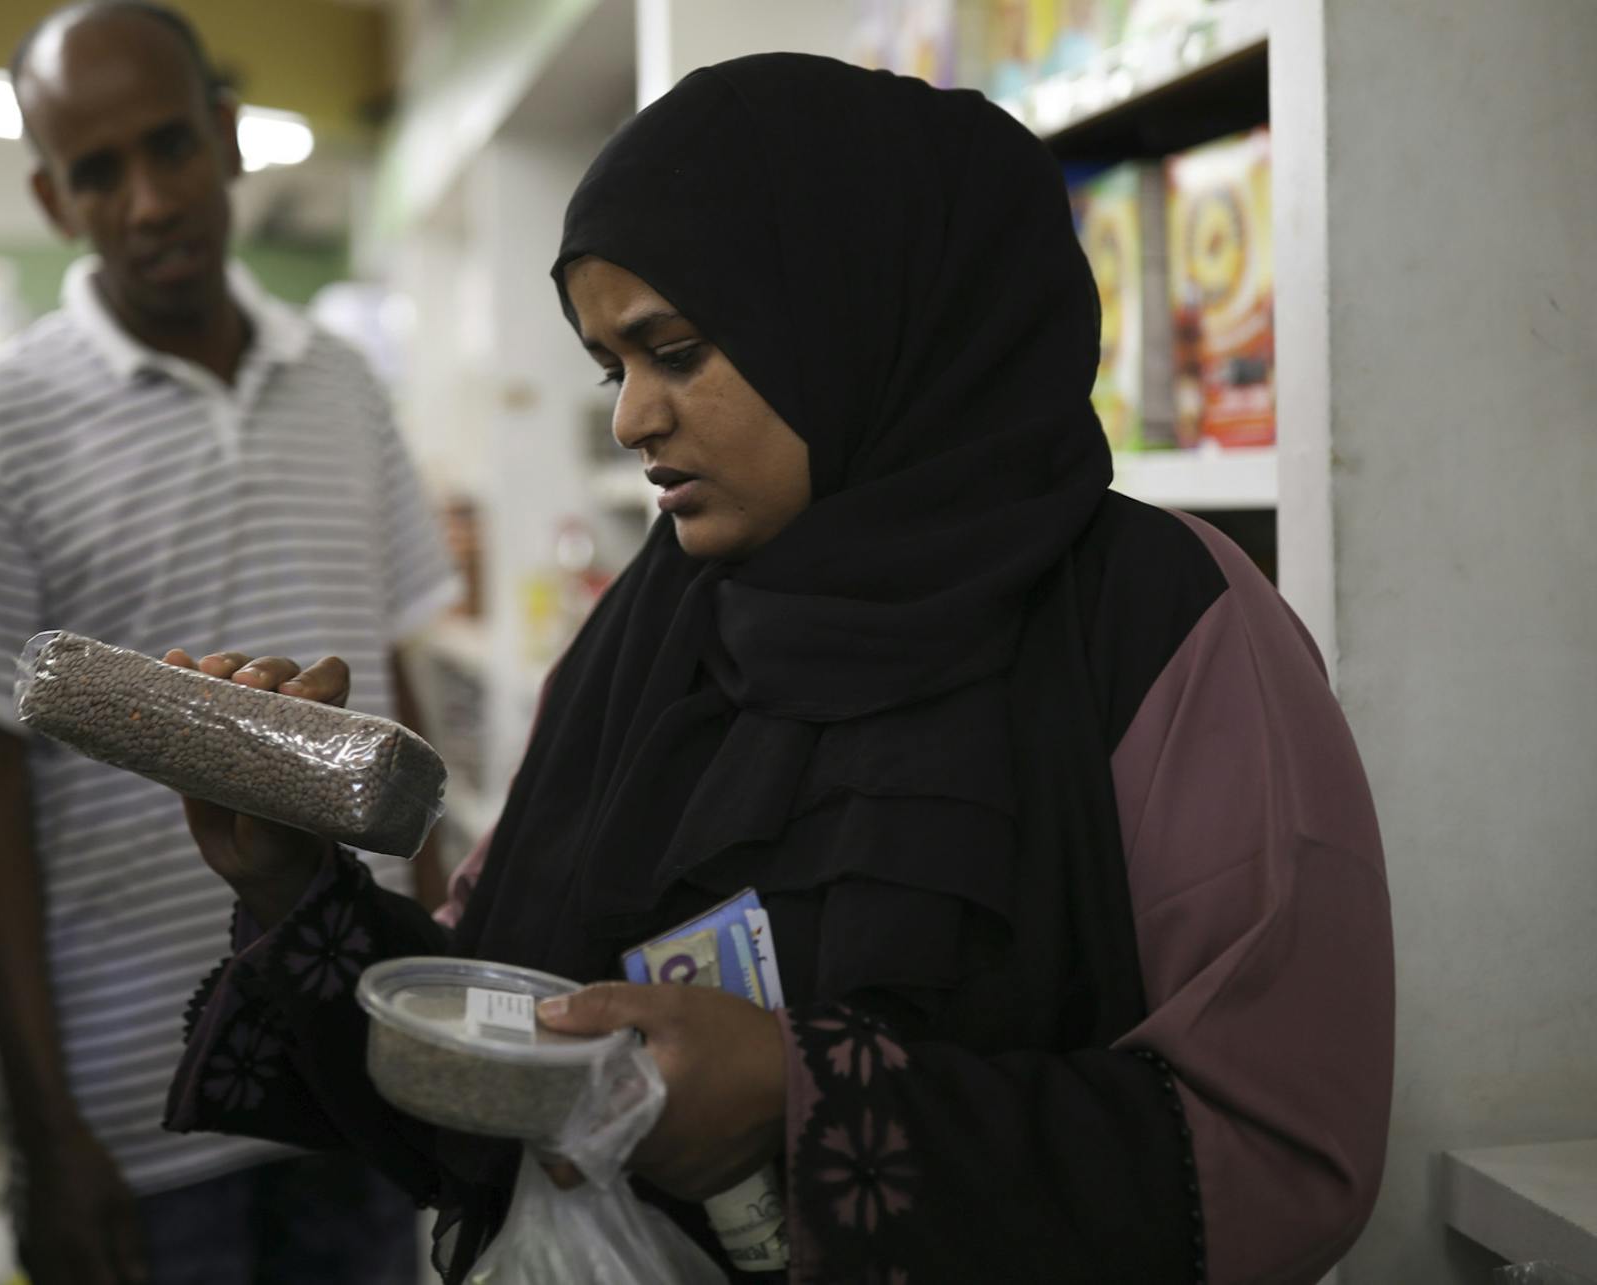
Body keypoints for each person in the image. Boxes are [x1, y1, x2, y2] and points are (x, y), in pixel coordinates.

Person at [160, 53, 1394, 1284]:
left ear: (855, 309)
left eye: (678, 351)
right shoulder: (656, 620)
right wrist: (295, 888)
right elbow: (510, 1033)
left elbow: (1279, 1150)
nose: (632, 418)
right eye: (614, 367)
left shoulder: (1156, 618)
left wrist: (812, 1108)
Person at [0, 4, 453, 1283]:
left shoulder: (347, 387)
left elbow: (406, 695)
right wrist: (46, 1131)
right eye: (97, 172)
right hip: (145, 1107)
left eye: (170, 147)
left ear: (230, 138)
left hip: (366, 1050)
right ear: (51, 197)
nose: (147, 201)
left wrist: (456, 973)